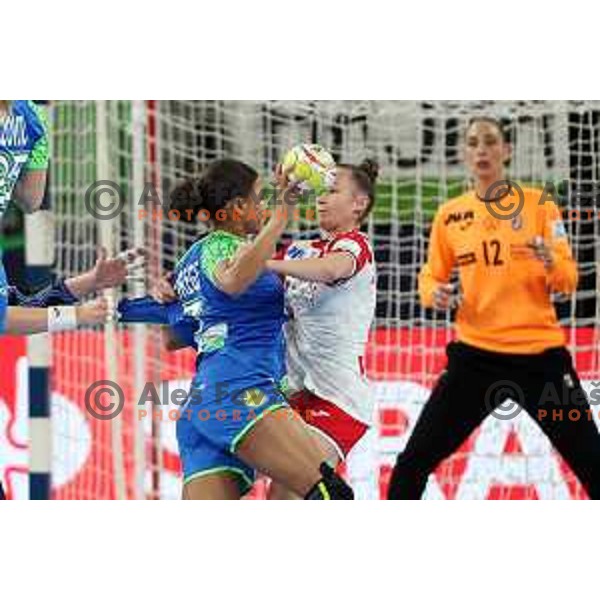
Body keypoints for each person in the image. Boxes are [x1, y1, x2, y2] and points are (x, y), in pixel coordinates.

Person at [387, 116, 600, 500]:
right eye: (473, 142)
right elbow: (429, 278)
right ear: (465, 153)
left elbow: (568, 280)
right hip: (475, 361)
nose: (481, 149)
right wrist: (434, 293)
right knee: (411, 465)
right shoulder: (450, 214)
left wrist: (549, 259)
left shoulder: (539, 204)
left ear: (507, 150)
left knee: (594, 465)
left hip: (541, 361)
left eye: (489, 141)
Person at [163, 158, 354, 499]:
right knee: (329, 494)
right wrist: (281, 216)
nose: (265, 205)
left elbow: (172, 336)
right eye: (259, 197)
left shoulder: (187, 261)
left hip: (205, 401)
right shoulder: (224, 246)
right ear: (238, 208)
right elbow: (233, 280)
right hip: (243, 391)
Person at [265, 159, 378, 499]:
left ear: (359, 204)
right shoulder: (300, 250)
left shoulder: (356, 247)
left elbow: (331, 269)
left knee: (300, 492)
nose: (321, 199)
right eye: (319, 192)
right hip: (295, 393)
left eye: (332, 191)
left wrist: (266, 264)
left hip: (339, 400)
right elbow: (246, 274)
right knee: (281, 497)